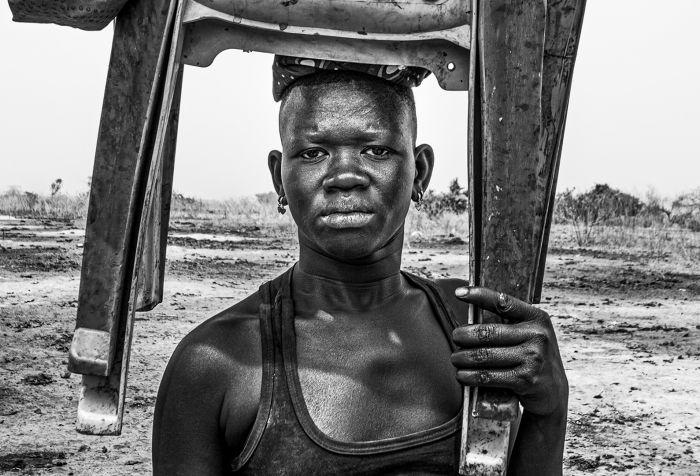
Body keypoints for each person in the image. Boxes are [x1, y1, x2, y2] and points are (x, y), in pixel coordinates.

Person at [152, 56, 568, 475]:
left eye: (376, 151)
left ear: (420, 172)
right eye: (313, 153)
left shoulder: (474, 323)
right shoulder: (217, 361)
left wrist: (549, 411)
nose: (345, 176)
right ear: (280, 178)